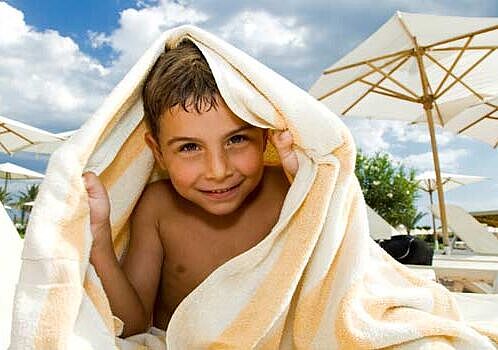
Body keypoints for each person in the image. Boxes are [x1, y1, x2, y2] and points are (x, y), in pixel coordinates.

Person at [84, 39, 299, 337]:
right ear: (157, 152)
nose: (218, 170)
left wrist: (312, 189)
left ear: (265, 137)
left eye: (236, 140)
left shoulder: (290, 190)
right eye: (189, 147)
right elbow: (132, 325)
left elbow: (334, 271)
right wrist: (100, 243)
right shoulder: (158, 208)